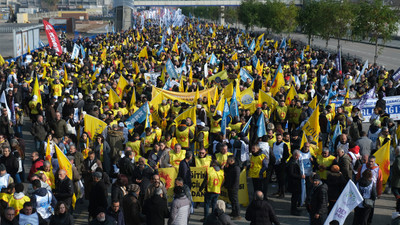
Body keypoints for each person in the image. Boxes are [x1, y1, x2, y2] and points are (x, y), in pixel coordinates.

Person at [287, 150, 304, 216]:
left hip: (296, 182)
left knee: (296, 197)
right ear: (294, 155)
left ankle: (295, 208)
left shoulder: (294, 161)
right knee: (294, 197)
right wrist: (300, 176)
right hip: (294, 183)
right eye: (296, 156)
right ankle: (293, 210)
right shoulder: (292, 163)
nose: (297, 157)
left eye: (298, 156)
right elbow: (291, 173)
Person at [224, 155, 241, 220]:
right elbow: (227, 172)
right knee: (231, 200)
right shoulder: (231, 166)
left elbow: (236, 179)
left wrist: (233, 187)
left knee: (235, 200)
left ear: (231, 161)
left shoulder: (236, 168)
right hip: (229, 185)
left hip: (233, 187)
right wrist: (225, 167)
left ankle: (238, 214)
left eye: (228, 160)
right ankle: (233, 212)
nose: (227, 161)